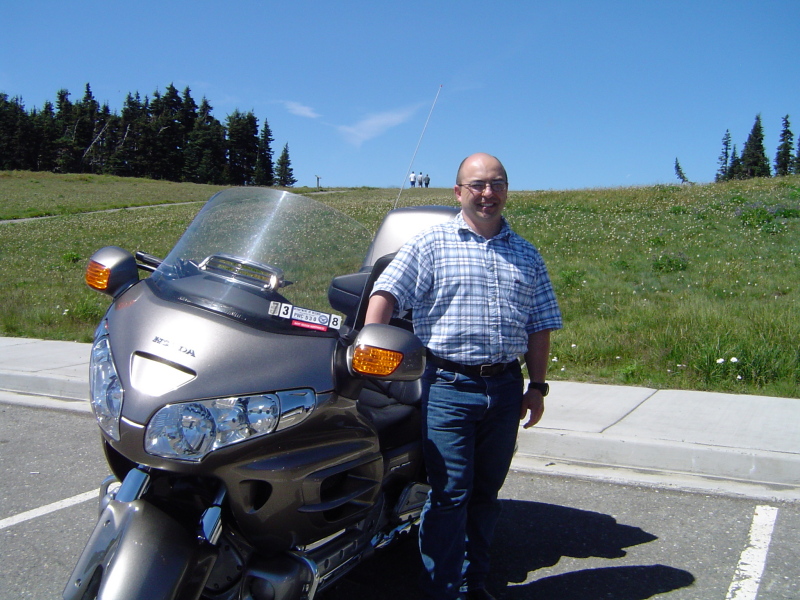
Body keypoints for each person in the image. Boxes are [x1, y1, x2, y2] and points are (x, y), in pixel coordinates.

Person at [365, 153, 562, 600]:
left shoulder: (527, 254)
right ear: (458, 192)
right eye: (477, 185)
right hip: (448, 386)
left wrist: (537, 386)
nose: (488, 193)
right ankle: (443, 589)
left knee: (486, 493)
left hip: (506, 388)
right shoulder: (430, 244)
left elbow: (540, 326)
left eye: (497, 184)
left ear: (506, 190)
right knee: (450, 493)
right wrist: (370, 350)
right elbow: (386, 293)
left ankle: (475, 583)